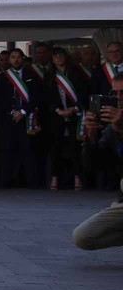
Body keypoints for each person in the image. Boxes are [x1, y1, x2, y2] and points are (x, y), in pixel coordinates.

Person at [72, 74, 123, 250]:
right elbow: (97, 165)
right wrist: (91, 139)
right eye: (114, 93)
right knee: (83, 237)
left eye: (122, 93)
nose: (118, 99)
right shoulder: (112, 127)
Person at [0, 48, 41, 189]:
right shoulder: (2, 77)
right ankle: (6, 181)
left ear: (23, 58)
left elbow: (36, 96)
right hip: (9, 119)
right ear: (9, 60)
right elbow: (0, 99)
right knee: (7, 150)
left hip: (27, 118)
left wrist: (23, 111)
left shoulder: (31, 75)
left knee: (28, 151)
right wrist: (13, 111)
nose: (16, 60)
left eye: (19, 57)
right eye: (13, 57)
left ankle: (31, 182)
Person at [46, 46, 86, 191]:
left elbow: (83, 93)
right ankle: (55, 177)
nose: (58, 58)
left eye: (61, 55)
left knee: (75, 146)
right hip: (57, 115)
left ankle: (77, 177)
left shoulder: (75, 73)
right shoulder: (50, 75)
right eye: (55, 56)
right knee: (56, 146)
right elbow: (47, 97)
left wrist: (75, 108)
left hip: (75, 114)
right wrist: (58, 110)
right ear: (52, 59)